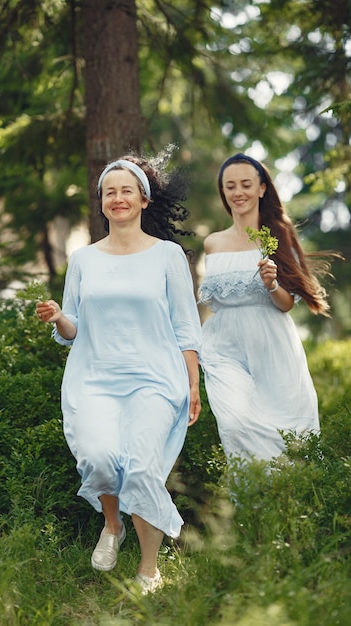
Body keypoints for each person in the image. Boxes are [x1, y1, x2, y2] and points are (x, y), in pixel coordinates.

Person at [36, 148, 202, 594]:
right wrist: (57, 317)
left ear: (144, 199)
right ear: (102, 202)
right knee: (100, 459)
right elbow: (72, 330)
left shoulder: (168, 255)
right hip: (94, 379)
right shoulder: (84, 259)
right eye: (109, 192)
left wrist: (193, 383)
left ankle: (149, 568)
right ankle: (113, 525)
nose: (118, 198)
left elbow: (186, 325)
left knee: (144, 467)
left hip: (154, 378)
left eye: (127, 190)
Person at [199, 152, 335, 462]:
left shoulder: (277, 238)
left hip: (272, 345)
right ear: (223, 192)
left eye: (246, 184)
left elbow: (287, 305)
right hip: (223, 346)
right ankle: (246, 500)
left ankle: (280, 502)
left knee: (285, 430)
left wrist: (272, 284)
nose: (238, 193)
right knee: (234, 424)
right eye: (230, 186)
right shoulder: (213, 243)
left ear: (262, 189)